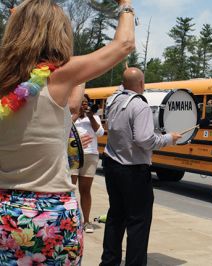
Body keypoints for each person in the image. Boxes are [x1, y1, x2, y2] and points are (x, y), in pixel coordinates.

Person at [0, 0, 135, 264]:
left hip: (4, 212)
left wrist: (17, 24)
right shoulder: (59, 76)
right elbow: (124, 44)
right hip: (51, 215)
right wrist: (126, 5)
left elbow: (72, 105)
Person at [100, 67, 182, 266]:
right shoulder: (140, 105)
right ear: (141, 84)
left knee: (116, 217)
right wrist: (168, 138)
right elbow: (145, 139)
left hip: (112, 165)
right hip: (133, 170)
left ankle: (109, 262)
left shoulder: (113, 100)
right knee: (138, 222)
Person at [71, 94, 104, 233]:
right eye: (82, 102)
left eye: (86, 102)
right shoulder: (70, 116)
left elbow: (100, 133)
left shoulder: (94, 117)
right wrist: (77, 114)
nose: (84, 104)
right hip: (73, 154)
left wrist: (90, 116)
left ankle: (86, 221)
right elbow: (64, 129)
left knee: (85, 190)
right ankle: (71, 220)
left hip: (90, 155)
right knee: (70, 189)